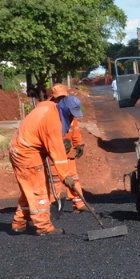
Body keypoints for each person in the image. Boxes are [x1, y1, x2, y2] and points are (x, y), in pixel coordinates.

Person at [8, 92, 82, 235]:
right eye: (71, 114)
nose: (72, 117)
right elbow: (57, 153)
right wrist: (65, 176)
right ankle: (43, 227)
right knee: (39, 190)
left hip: (19, 149)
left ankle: (19, 223)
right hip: (27, 154)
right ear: (65, 110)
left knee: (27, 189)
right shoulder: (53, 122)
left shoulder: (49, 106)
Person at [45, 84, 87, 213]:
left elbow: (75, 129)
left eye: (64, 97)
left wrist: (78, 143)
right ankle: (52, 207)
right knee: (56, 178)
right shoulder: (48, 110)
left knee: (73, 177)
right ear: (54, 97)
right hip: (53, 152)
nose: (61, 100)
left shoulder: (70, 108)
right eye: (59, 98)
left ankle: (79, 204)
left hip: (68, 152)